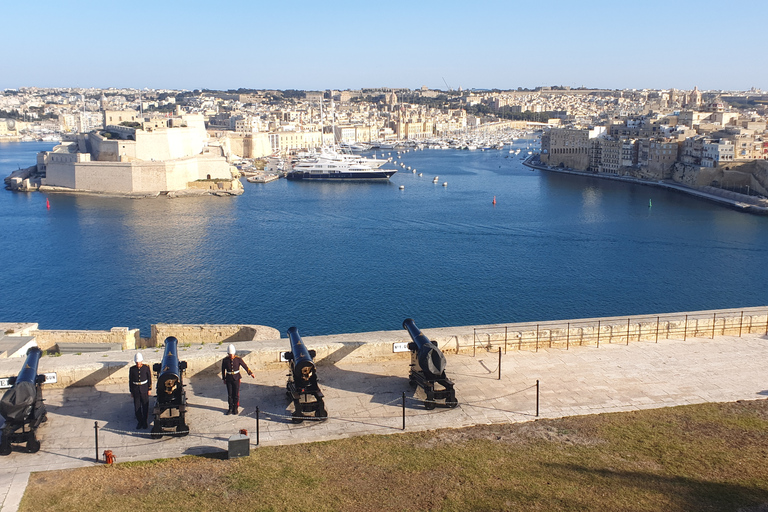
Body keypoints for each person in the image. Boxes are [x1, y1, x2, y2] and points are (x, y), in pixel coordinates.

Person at [221, 344, 254, 415]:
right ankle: (230, 408)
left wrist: (250, 373)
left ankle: (235, 408)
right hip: (229, 378)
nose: (231, 356)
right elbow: (223, 370)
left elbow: (245, 366)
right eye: (230, 355)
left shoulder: (238, 359)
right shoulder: (225, 360)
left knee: (235, 394)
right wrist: (224, 378)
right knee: (230, 394)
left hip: (236, 378)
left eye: (232, 354)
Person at [129, 352, 152, 429]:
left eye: (139, 362)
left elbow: (149, 378)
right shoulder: (132, 369)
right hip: (136, 390)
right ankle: (140, 421)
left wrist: (149, 388)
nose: (138, 364)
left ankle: (145, 421)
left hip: (144, 389)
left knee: (145, 406)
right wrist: (131, 391)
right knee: (137, 407)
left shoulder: (146, 368)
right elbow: (131, 380)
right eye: (137, 362)